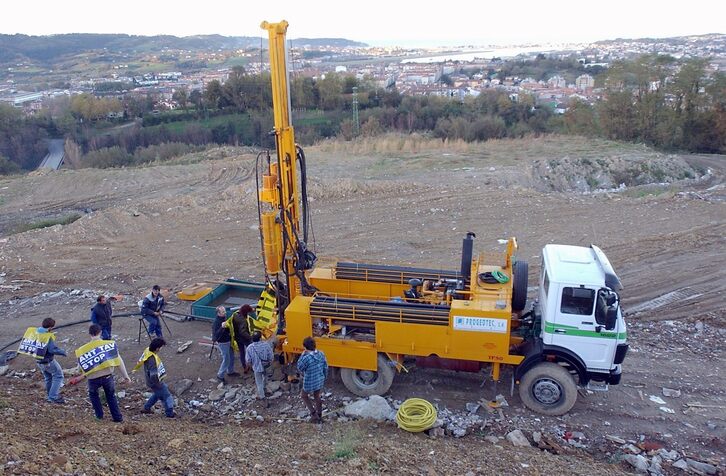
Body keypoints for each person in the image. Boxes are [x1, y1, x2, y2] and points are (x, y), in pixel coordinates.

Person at [71, 324, 131, 422]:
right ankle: (117, 418)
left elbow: (80, 368)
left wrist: (79, 376)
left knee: (94, 396)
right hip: (107, 376)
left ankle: (99, 416)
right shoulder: (109, 345)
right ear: (100, 332)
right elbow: (119, 361)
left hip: (93, 379)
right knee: (111, 397)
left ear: (89, 334)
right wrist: (126, 377)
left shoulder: (83, 350)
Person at [17, 318, 67, 404]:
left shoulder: (35, 332)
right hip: (48, 361)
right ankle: (53, 397)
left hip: (38, 360)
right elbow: (52, 350)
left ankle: (49, 395)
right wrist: (63, 352)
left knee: (48, 378)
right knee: (58, 376)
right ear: (50, 327)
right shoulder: (47, 336)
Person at [133, 337, 175, 418]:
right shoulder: (152, 360)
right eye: (161, 347)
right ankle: (169, 413)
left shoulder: (147, 351)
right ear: (157, 348)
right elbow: (153, 374)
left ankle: (146, 408)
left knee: (157, 394)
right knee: (167, 396)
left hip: (149, 381)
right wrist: (158, 384)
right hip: (155, 382)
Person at [297, 336, 328, 423]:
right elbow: (326, 367)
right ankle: (320, 415)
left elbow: (300, 367)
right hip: (319, 379)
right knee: (317, 396)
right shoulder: (321, 354)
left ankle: (313, 414)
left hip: (309, 381)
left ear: (305, 347)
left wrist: (302, 355)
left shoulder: (306, 358)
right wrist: (324, 377)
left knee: (304, 396)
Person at [245, 331, 273, 407]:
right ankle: (264, 389)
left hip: (256, 367)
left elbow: (248, 360)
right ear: (260, 338)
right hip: (266, 365)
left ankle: (262, 397)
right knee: (265, 378)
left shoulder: (249, 348)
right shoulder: (266, 345)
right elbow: (271, 356)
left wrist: (252, 366)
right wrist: (270, 362)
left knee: (259, 383)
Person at [212, 306, 239, 384]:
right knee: (226, 359)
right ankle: (220, 375)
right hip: (223, 343)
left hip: (229, 340)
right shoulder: (216, 323)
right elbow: (215, 337)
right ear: (218, 313)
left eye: (224, 311)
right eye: (223, 312)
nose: (225, 313)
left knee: (231, 356)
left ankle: (230, 371)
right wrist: (222, 327)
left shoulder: (224, 318)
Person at [231, 304, 253, 369]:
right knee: (250, 351)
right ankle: (251, 365)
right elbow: (243, 331)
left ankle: (244, 366)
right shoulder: (243, 320)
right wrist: (250, 337)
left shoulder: (235, 315)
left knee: (242, 352)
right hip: (245, 338)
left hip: (237, 337)